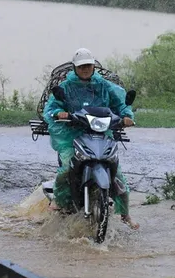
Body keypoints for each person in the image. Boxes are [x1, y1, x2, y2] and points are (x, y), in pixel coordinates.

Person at [43, 48, 139, 230]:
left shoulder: (104, 85)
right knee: (66, 166)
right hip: (74, 132)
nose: (85, 69)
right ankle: (58, 199)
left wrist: (126, 115)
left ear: (93, 66)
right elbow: (52, 107)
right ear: (75, 68)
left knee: (117, 174)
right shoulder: (66, 87)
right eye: (81, 67)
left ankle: (125, 214)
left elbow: (120, 103)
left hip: (101, 132)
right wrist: (59, 112)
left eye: (88, 65)